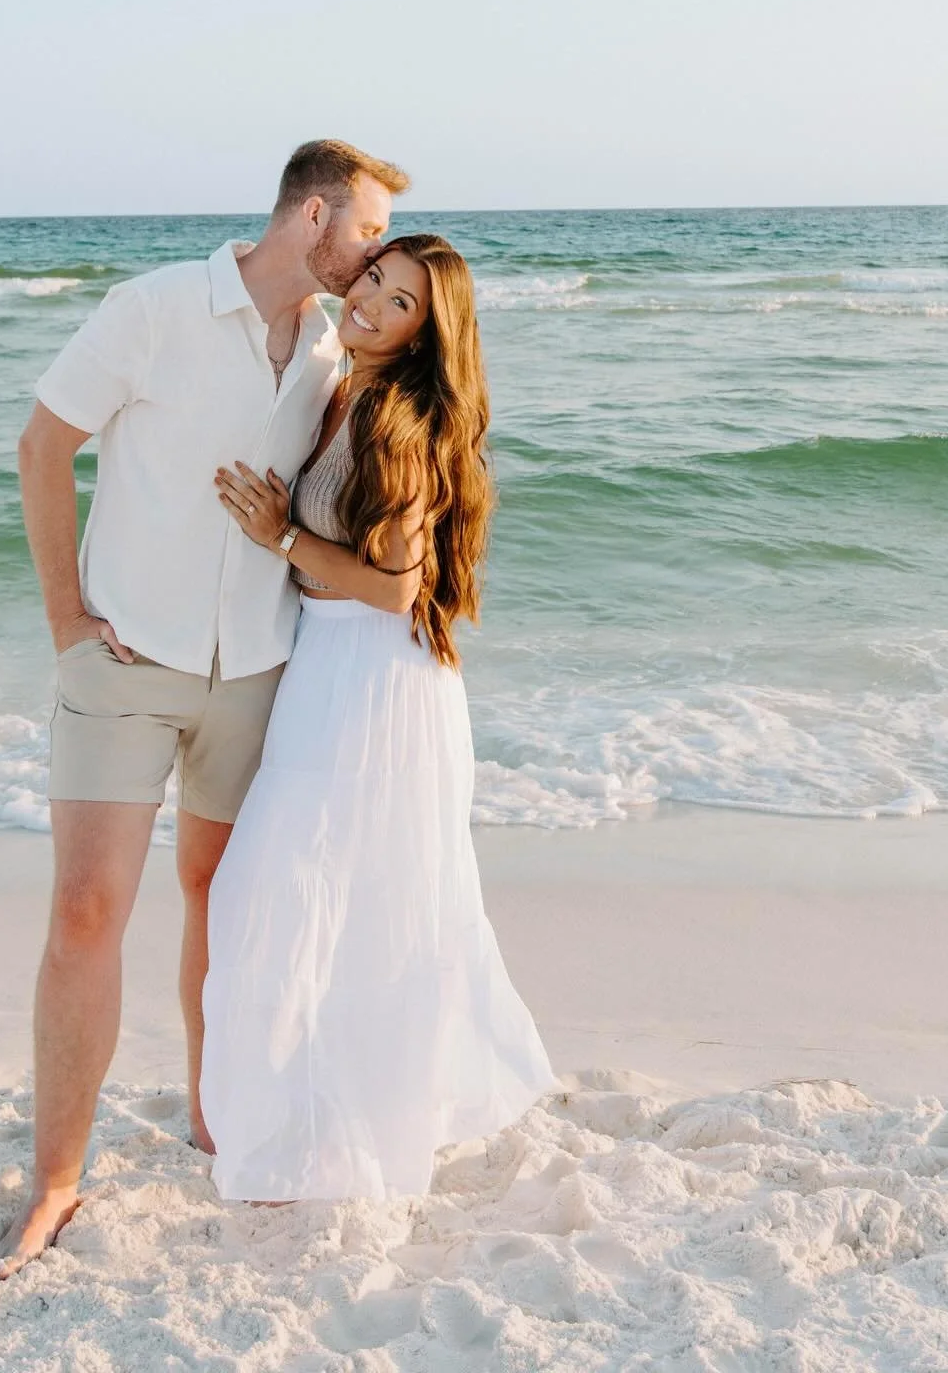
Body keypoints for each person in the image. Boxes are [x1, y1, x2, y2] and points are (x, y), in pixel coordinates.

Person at [0, 140, 409, 1277]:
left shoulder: (333, 344)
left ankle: (213, 1116)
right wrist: (67, 623)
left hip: (261, 674)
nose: (375, 258)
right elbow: (42, 447)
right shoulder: (157, 307)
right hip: (126, 666)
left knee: (219, 907)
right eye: (367, 232)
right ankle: (57, 1181)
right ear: (314, 215)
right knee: (86, 912)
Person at [204, 234, 554, 1201]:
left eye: (398, 302)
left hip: (373, 680)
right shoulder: (346, 385)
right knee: (324, 898)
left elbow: (396, 586)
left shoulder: (396, 418)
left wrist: (276, 534)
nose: (368, 303)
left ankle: (342, 1134)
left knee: (306, 895)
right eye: (373, 279)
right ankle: (315, 1121)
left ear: (422, 333)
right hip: (339, 671)